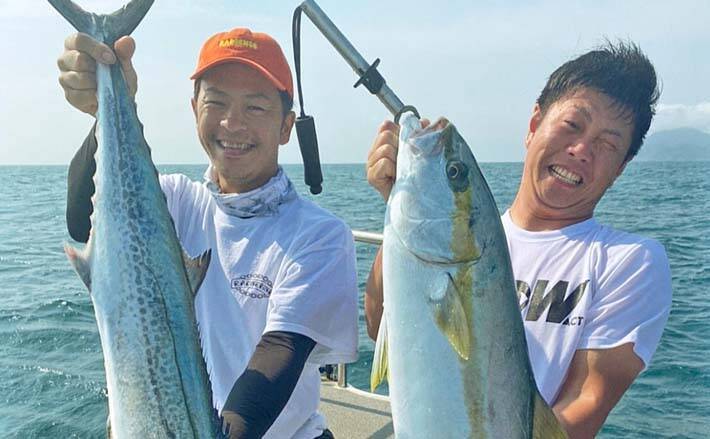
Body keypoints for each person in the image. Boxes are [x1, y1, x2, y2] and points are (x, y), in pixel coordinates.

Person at [58, 28, 358, 439]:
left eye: (255, 107)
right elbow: (80, 219)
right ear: (194, 108)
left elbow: (280, 352)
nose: (232, 123)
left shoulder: (320, 236)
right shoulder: (174, 203)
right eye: (216, 101)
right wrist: (105, 106)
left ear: (287, 126)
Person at [364, 41, 672, 439]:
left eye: (608, 144)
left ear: (621, 168)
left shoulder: (628, 262)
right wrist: (398, 209)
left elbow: (587, 400)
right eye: (572, 125)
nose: (581, 150)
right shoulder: (466, 237)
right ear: (534, 125)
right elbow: (378, 324)